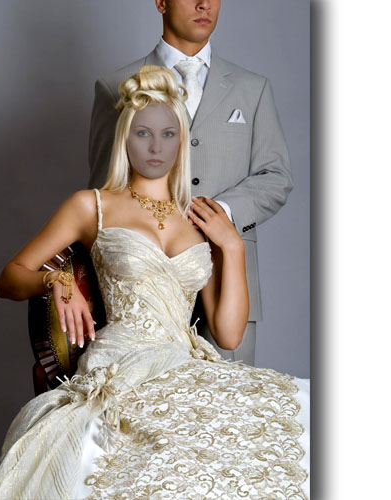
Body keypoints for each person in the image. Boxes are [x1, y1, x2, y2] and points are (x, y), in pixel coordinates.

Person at [0, 66, 309, 499]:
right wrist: (56, 279)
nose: (157, 147)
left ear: (182, 140)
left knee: (285, 429)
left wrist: (232, 247)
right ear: (125, 137)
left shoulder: (200, 217)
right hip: (121, 361)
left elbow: (229, 334)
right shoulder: (92, 205)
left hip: (185, 362)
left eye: (168, 134)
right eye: (143, 133)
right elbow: (9, 278)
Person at [88, 0, 293, 366]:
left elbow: (276, 177)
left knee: (231, 400)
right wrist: (67, 285)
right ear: (161, 3)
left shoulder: (253, 89)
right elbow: (104, 191)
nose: (204, 5)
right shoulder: (116, 86)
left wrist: (219, 214)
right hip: (143, 289)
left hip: (227, 282)